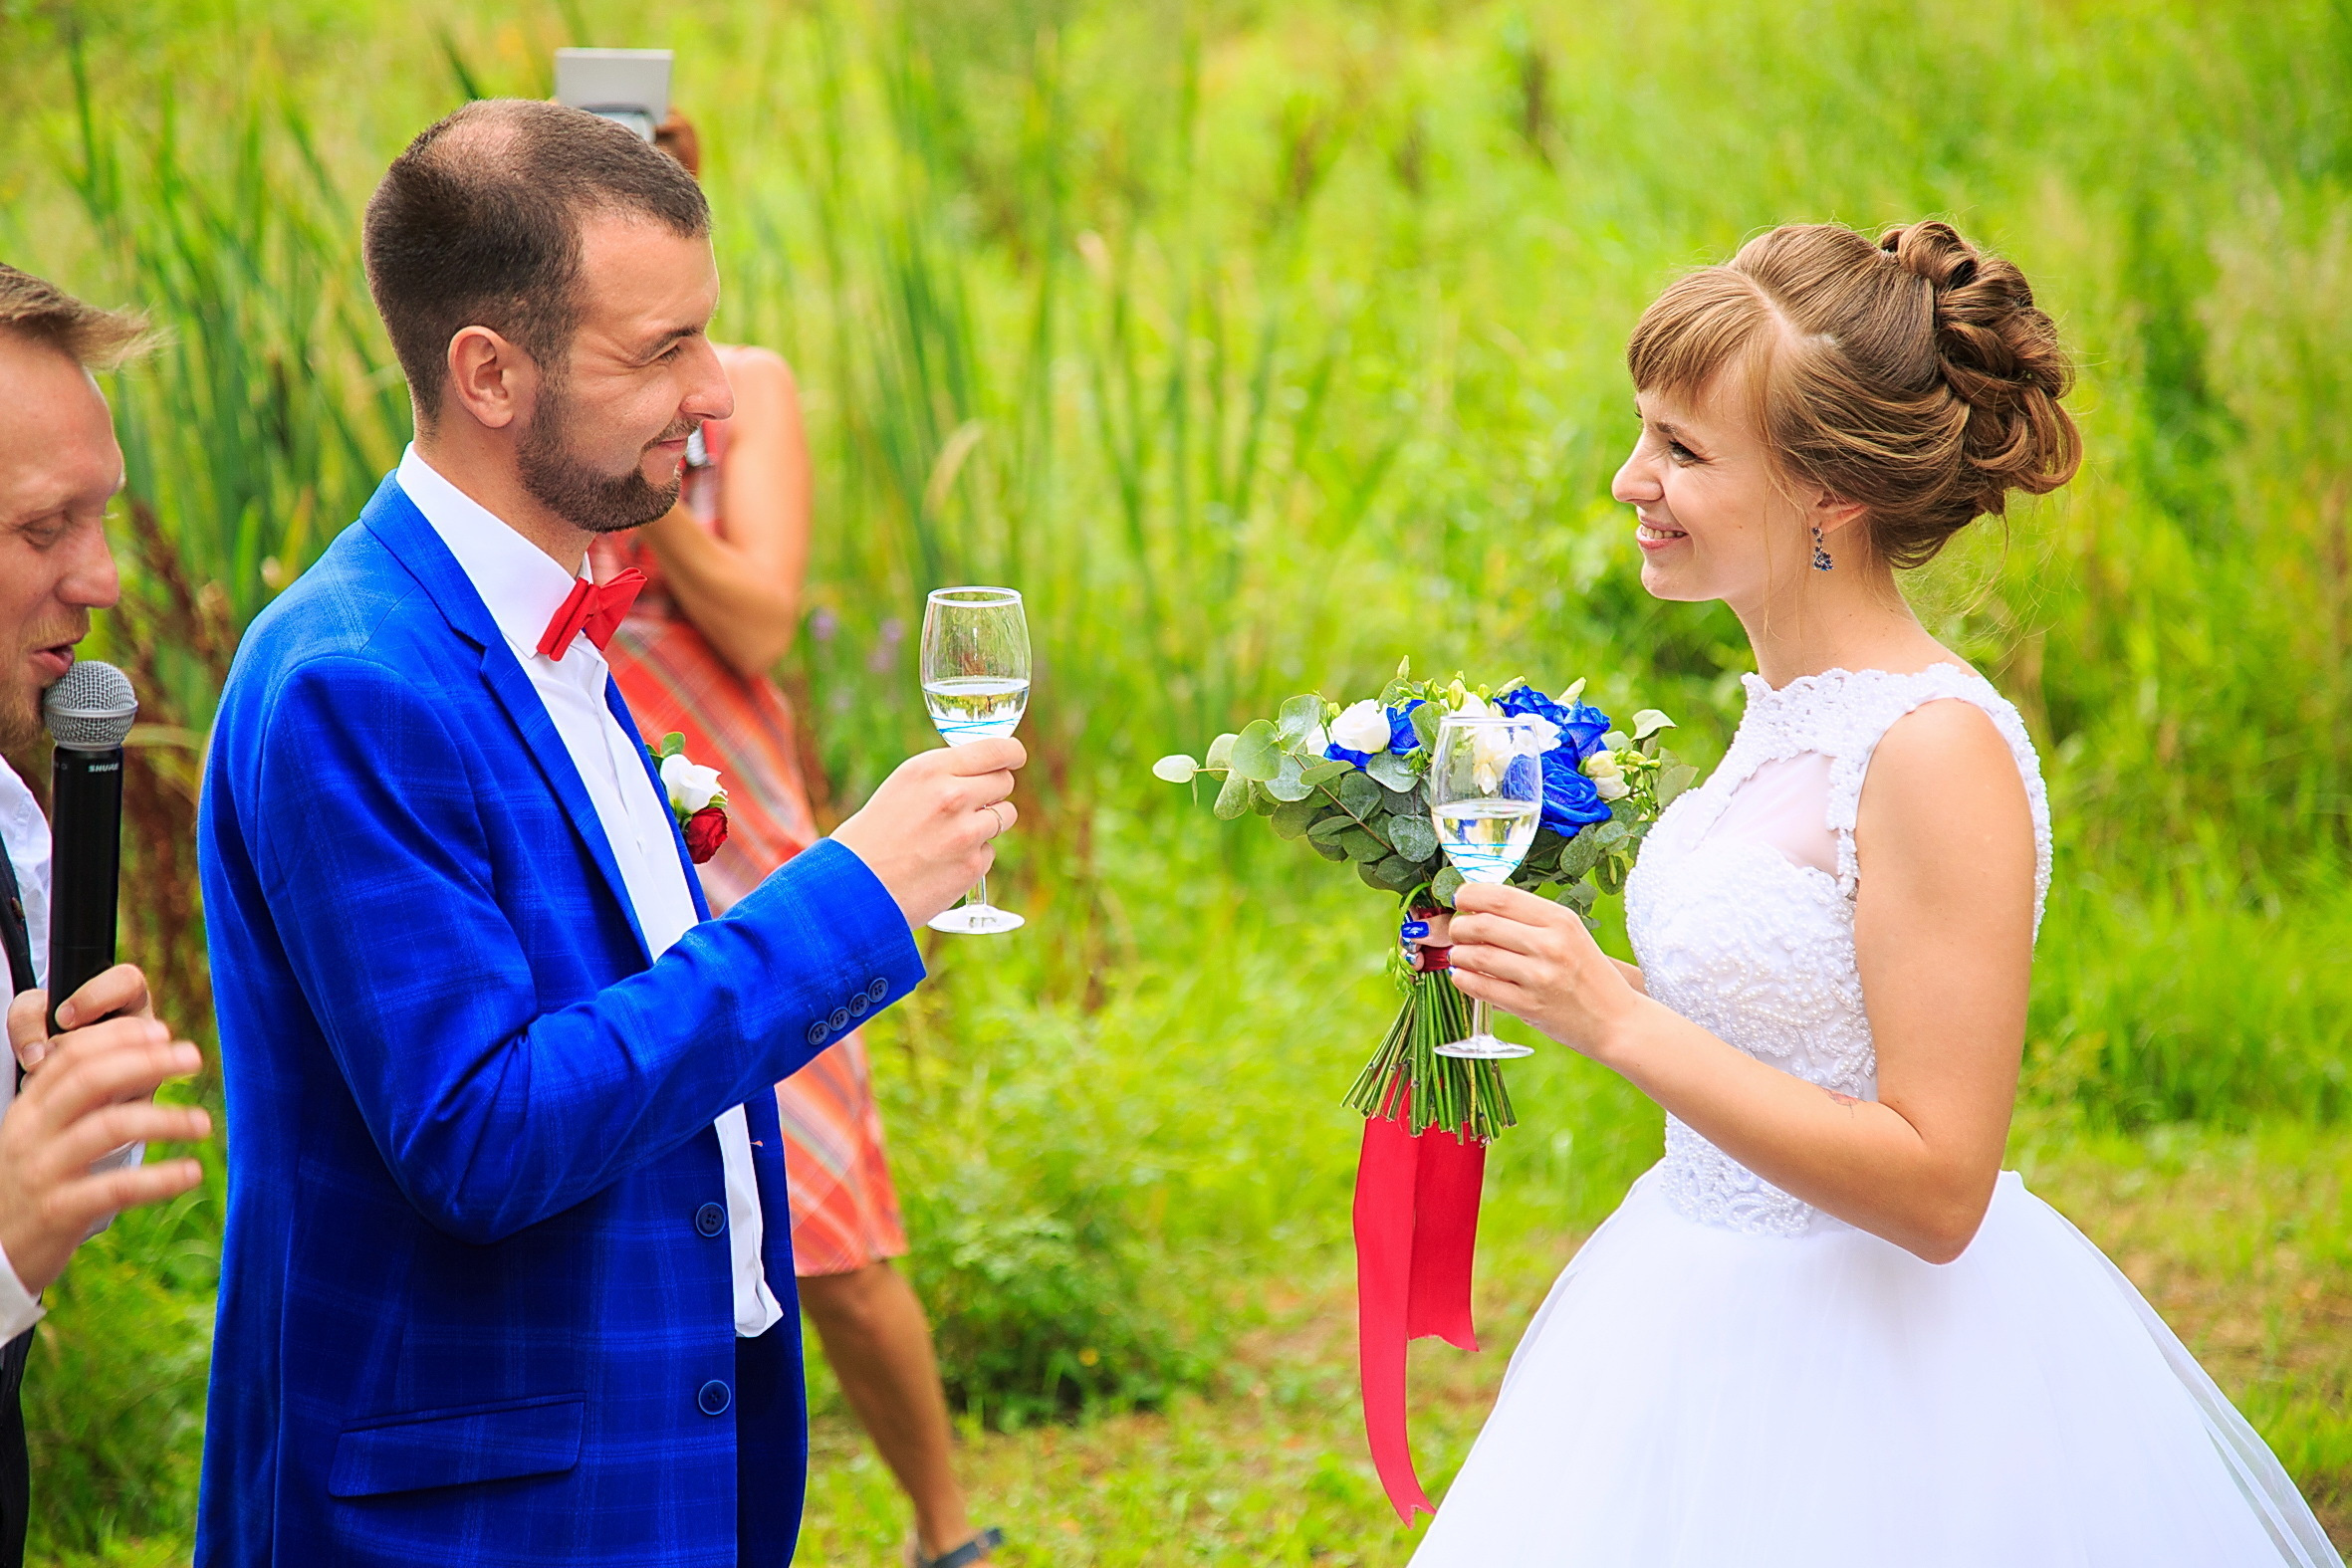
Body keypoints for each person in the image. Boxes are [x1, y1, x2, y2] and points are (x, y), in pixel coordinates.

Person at [1412, 222, 2339, 1566]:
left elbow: (1935, 1185)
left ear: (1824, 490)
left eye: (1681, 450)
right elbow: (1788, 1023)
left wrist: (1619, 1029)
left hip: (1875, 1367)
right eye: (1641, 435)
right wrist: (1561, 981)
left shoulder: (1929, 749)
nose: (1630, 481)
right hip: (1690, 1296)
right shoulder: (1784, 712)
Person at [193, 101, 1023, 1567]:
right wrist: (842, 899)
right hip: (469, 1512)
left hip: (645, 1461)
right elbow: (479, 1137)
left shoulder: (556, 629)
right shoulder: (354, 680)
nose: (712, 395)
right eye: (659, 352)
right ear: (490, 372)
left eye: (705, 337)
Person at [575, 108, 996, 1568]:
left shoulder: (744, 391)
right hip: (594, 795)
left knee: (828, 1204)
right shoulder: (540, 425)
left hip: (737, 800)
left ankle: (947, 1528)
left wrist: (656, 496)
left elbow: (760, 616)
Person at [0, 264, 213, 1567]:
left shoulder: (17, 824)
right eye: (40, 530)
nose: (103, 581)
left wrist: (67, 1117)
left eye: (103, 520)